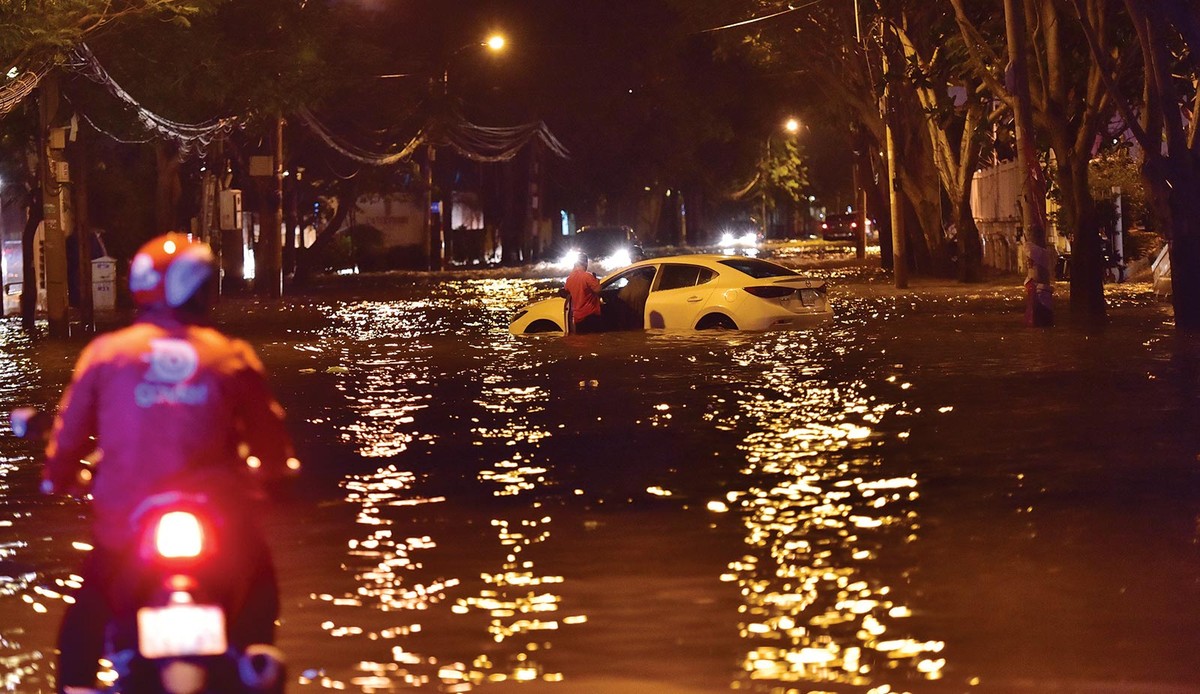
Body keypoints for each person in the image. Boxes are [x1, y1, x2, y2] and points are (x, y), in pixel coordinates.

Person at [42, 232, 298, 694]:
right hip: (219, 522)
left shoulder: (107, 354)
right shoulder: (229, 355)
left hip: (127, 522)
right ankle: (258, 662)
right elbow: (272, 443)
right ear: (202, 289)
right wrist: (276, 473)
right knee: (258, 576)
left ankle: (75, 686)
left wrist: (60, 478)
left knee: (92, 600)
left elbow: (67, 440)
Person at [563, 253, 604, 333]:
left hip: (578, 317)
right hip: (590, 315)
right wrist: (596, 280)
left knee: (582, 342)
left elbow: (566, 291)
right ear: (585, 263)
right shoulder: (587, 276)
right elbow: (598, 289)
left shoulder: (569, 279)